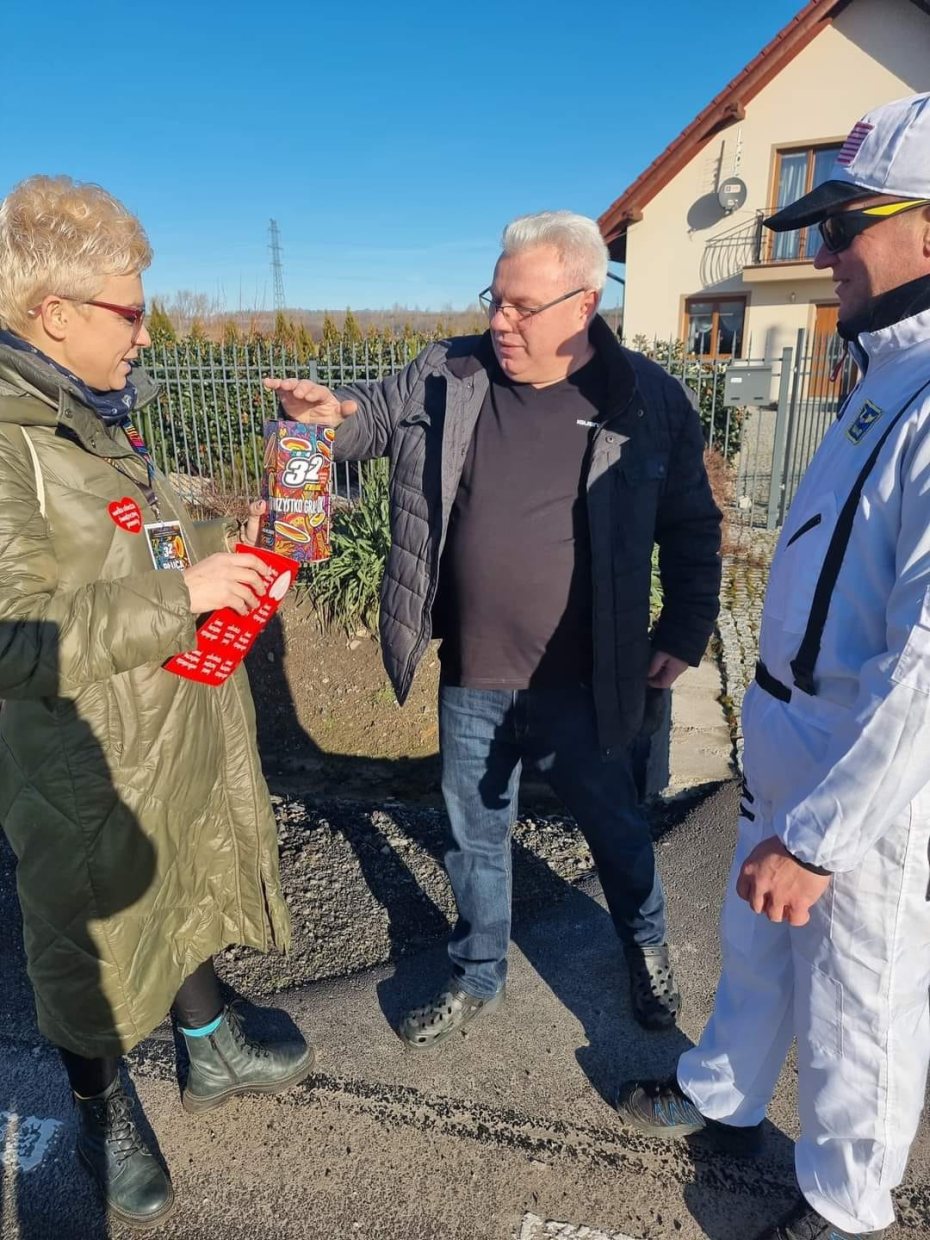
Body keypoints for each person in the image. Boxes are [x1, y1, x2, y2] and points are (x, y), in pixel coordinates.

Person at [265, 211, 721, 1048]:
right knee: (473, 836)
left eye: (522, 307)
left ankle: (646, 946)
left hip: (587, 676)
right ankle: (478, 972)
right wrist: (330, 412)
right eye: (495, 299)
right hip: (474, 670)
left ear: (584, 305)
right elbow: (372, 418)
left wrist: (685, 629)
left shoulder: (645, 398)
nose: (500, 321)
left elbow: (692, 526)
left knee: (616, 826)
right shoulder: (451, 370)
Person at [616, 92, 930, 1240]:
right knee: (756, 943)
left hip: (868, 763)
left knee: (860, 990)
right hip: (793, 727)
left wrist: (824, 838)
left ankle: (847, 1204)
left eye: (845, 225)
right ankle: (727, 1095)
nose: (824, 252)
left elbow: (926, 666)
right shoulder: (886, 376)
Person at [0, 176, 313, 1231]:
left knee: (178, 876)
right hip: (80, 754)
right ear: (55, 314)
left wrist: (232, 546)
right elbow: (11, 633)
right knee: (82, 941)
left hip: (167, 714)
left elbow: (142, 543)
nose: (147, 334)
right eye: (130, 313)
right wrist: (185, 596)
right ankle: (104, 1112)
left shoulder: (89, 415)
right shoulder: (8, 441)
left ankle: (210, 1048)